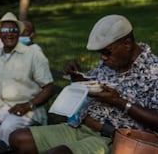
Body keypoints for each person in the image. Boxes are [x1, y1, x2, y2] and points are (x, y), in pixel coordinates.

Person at [9, 14, 158, 154]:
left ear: (127, 44)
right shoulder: (111, 63)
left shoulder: (153, 71)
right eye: (100, 53)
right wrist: (78, 79)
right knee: (18, 139)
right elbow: (93, 85)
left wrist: (120, 102)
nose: (103, 58)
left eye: (106, 52)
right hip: (82, 126)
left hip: (115, 139)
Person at [0, 12, 54, 145]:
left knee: (6, 129)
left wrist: (28, 105)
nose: (9, 33)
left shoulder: (34, 55)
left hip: (27, 110)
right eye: (5, 30)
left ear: (18, 33)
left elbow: (49, 88)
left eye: (13, 30)